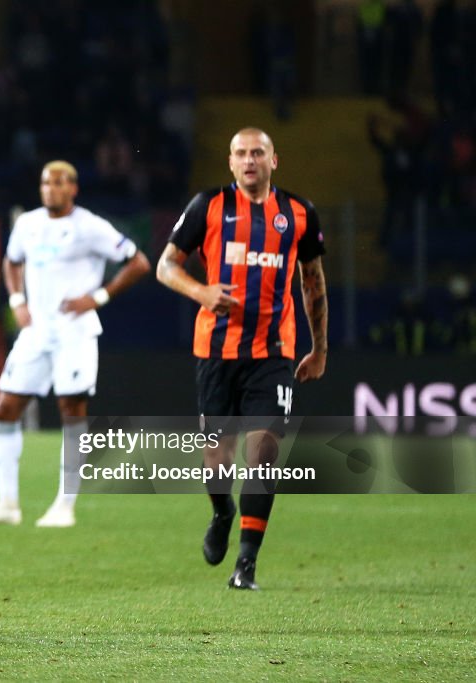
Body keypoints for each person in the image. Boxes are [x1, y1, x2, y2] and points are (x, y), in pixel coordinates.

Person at [156, 127, 328, 590]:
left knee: (265, 451)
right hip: (216, 350)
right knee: (218, 458)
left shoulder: (298, 213)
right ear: (230, 162)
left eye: (258, 153)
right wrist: (202, 292)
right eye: (240, 153)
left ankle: (246, 564)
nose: (249, 160)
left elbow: (312, 280)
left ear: (275, 160)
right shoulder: (207, 207)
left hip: (275, 352)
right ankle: (222, 510)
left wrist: (319, 348)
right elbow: (165, 266)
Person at [0, 160, 150, 529]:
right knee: (5, 409)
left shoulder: (90, 227)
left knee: (71, 410)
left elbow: (139, 262)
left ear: (73, 188)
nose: (51, 188)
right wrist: (17, 301)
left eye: (59, 182)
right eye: (46, 182)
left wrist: (98, 296)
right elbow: (11, 262)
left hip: (75, 331)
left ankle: (65, 505)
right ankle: (7, 503)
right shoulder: (28, 224)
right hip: (37, 332)